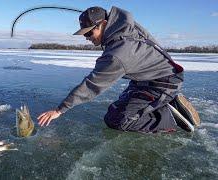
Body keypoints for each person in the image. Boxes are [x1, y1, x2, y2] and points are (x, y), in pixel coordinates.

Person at [37, 6, 200, 133]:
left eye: (89, 33)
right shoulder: (125, 27)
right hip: (149, 77)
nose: (87, 38)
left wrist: (60, 110)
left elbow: (92, 85)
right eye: (84, 35)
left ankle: (170, 117)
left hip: (163, 81)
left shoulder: (118, 53)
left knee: (116, 120)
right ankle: (163, 101)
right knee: (117, 106)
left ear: (104, 24)